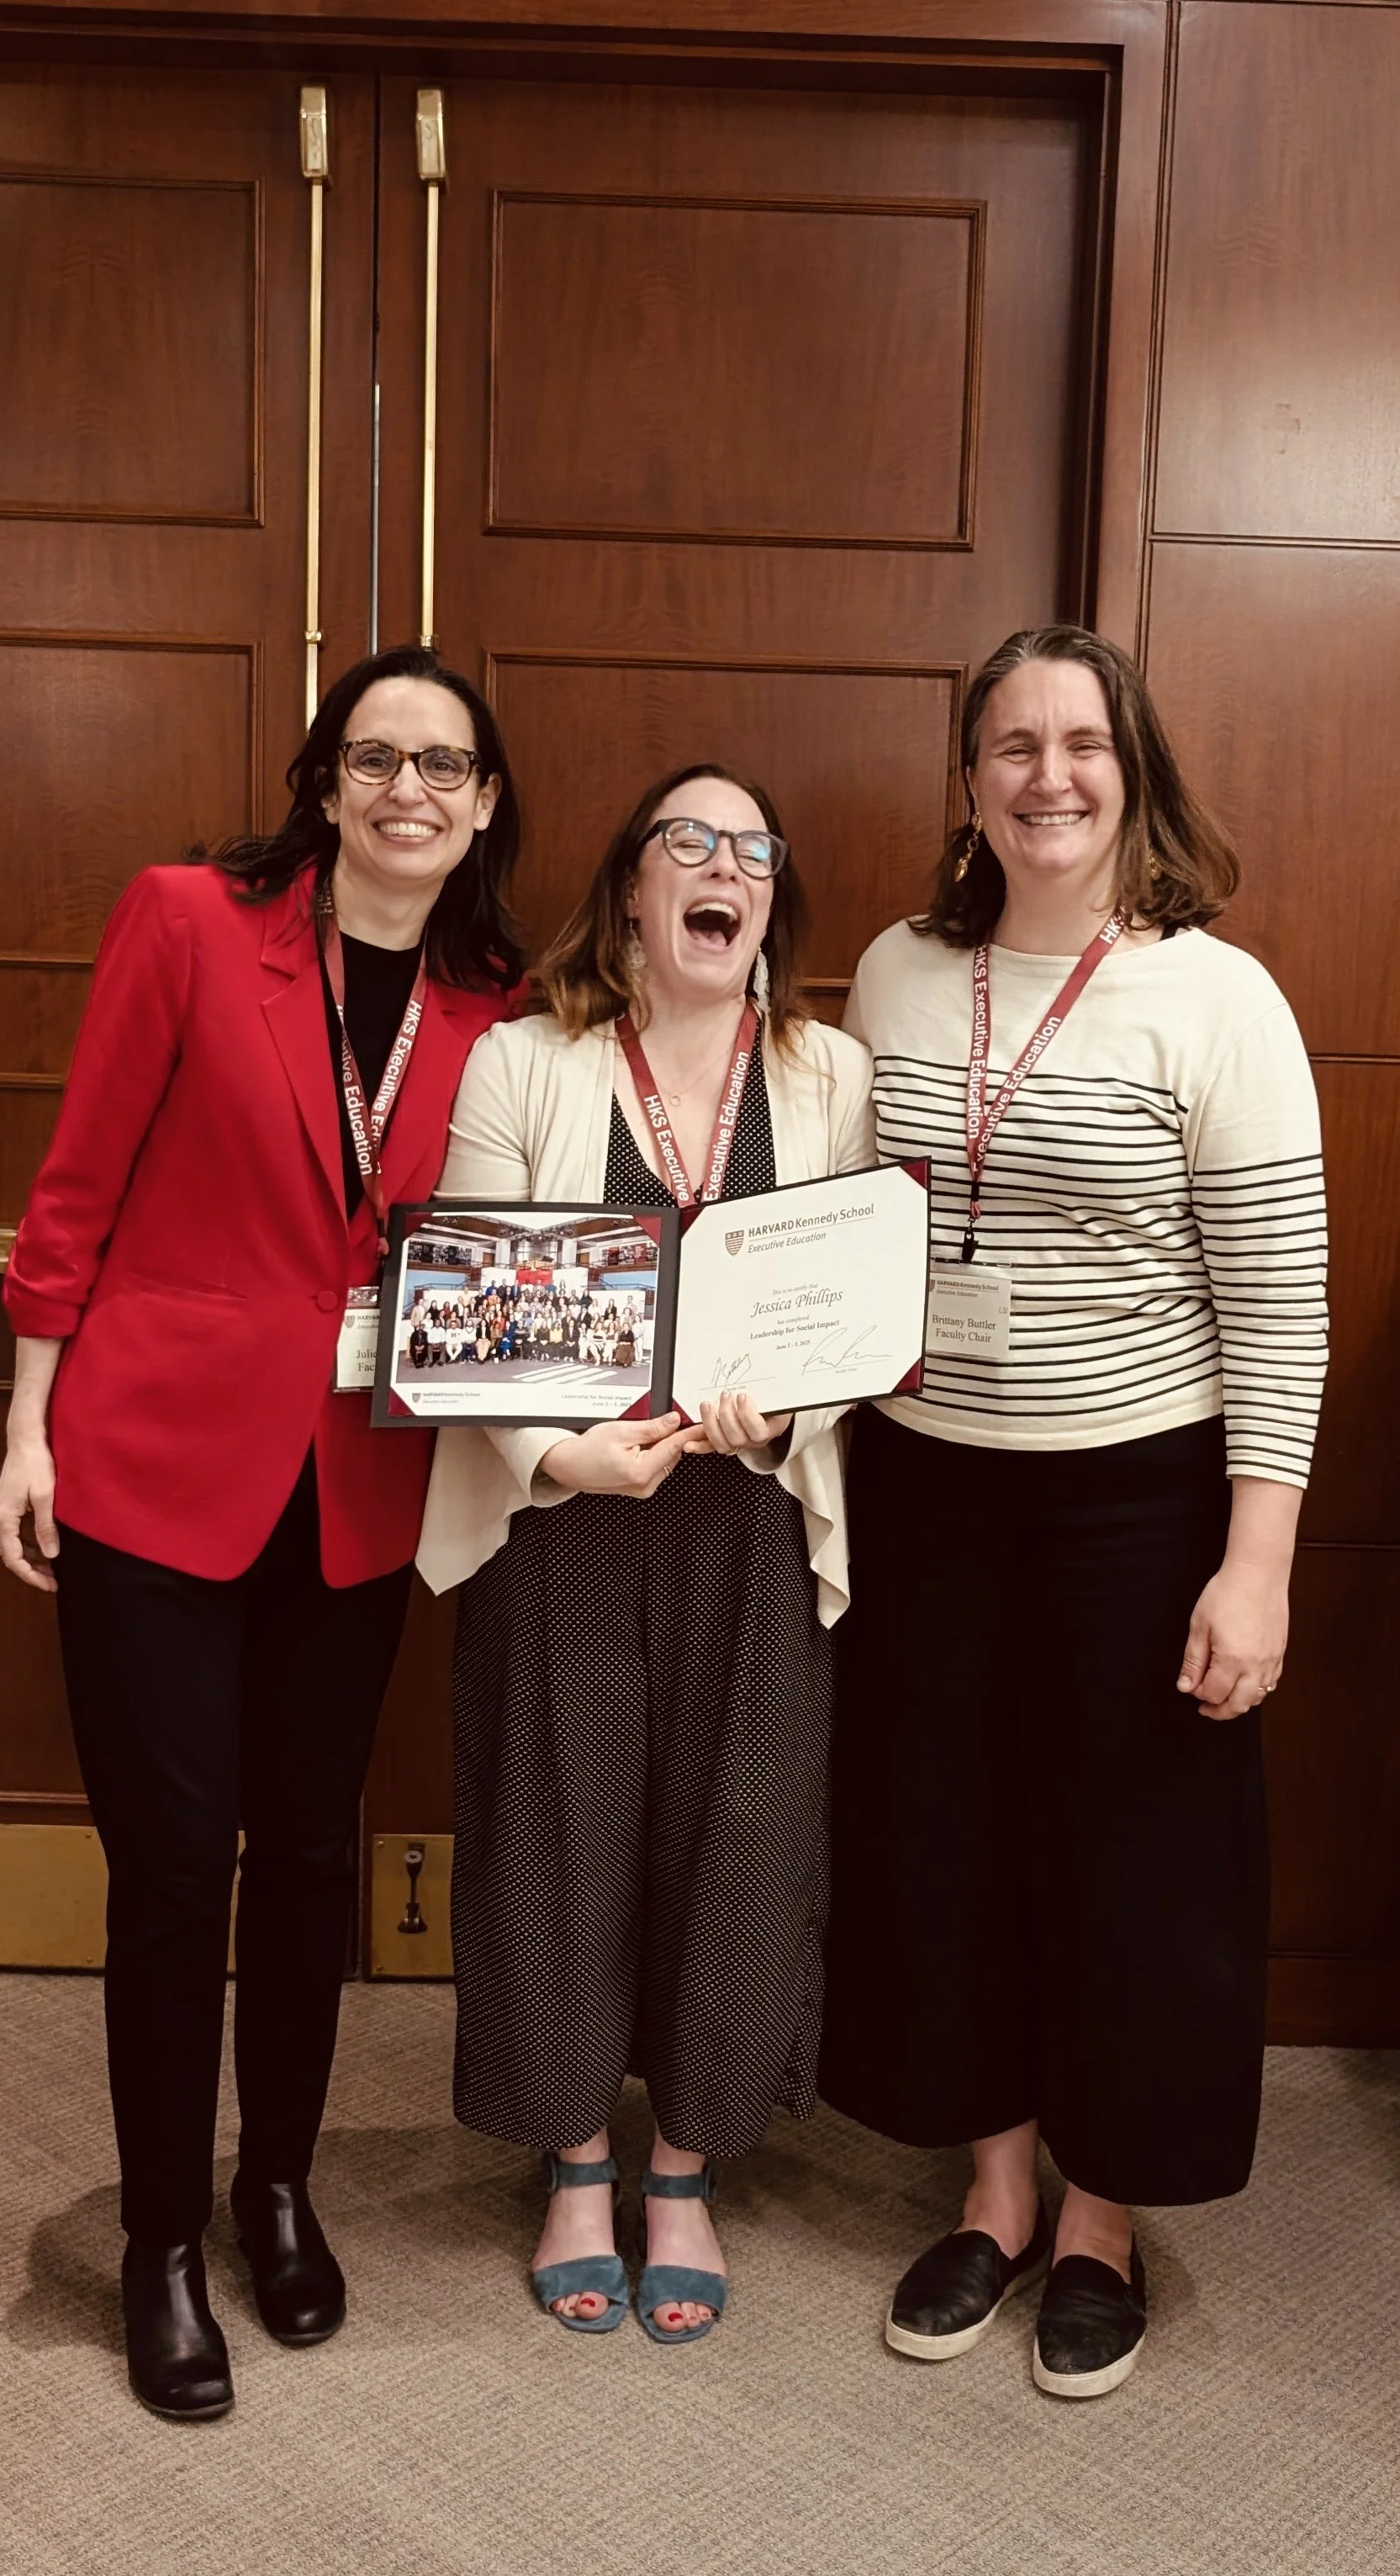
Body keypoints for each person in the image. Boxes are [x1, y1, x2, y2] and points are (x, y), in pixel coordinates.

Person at [0, 644, 521, 2421]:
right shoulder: (191, 922)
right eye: (375, 758)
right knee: (170, 1870)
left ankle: (271, 2189)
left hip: (354, 1487)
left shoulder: (496, 1003)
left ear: (485, 803)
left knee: (307, 1858)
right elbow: (76, 1179)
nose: (409, 791)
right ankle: (157, 2244)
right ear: (324, 781)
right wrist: (28, 1424)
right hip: (152, 1461)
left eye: (444, 765)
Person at [818, 627, 1328, 2399]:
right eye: (1013, 745)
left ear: (1133, 772)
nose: (1049, 775)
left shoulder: (1213, 993)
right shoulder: (891, 971)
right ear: (968, 782)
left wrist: (1254, 1562)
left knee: (1137, 1869)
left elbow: (1281, 1299)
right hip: (926, 1482)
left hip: (1141, 1493)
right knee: (944, 1840)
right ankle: (996, 2188)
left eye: (1083, 743)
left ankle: (1103, 2219)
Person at [419, 764, 874, 2341]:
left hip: (747, 1525)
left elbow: (854, 1306)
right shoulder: (522, 1062)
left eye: (753, 848)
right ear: (630, 888)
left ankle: (682, 2166)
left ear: (769, 903)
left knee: (741, 1839)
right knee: (553, 1836)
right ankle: (576, 2158)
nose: (723, 867)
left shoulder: (828, 1072)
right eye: (690, 840)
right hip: (564, 1523)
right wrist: (559, 1456)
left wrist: (783, 1412)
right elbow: (466, 1314)